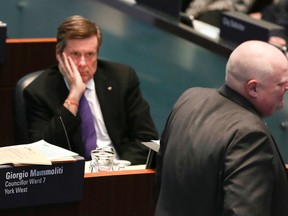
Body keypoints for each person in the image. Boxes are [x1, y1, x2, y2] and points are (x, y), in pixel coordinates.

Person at [155, 40, 288, 215]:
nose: (287, 88)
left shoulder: (189, 99)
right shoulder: (250, 135)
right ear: (253, 88)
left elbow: (160, 183)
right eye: (282, 84)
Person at [23, 15, 158, 164]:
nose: (82, 63)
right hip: (75, 178)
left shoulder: (122, 78)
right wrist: (74, 96)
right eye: (75, 54)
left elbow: (147, 138)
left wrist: (119, 170)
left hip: (121, 169)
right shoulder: (39, 92)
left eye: (89, 54)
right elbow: (42, 152)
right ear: (59, 53)